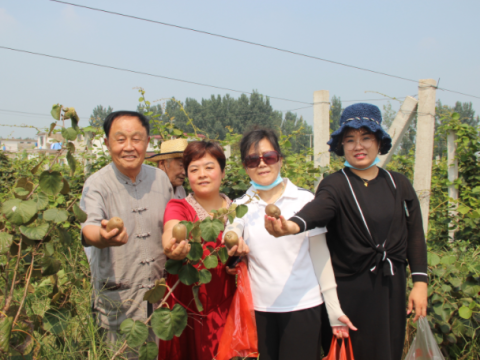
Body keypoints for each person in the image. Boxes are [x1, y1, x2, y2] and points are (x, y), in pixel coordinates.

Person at [265, 103, 428, 360]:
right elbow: (317, 210)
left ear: (379, 142)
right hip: (350, 293)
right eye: (350, 140)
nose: (358, 146)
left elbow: (415, 234)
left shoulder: (398, 184)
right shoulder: (335, 184)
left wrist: (420, 283)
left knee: (389, 349)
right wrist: (290, 226)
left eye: (366, 138)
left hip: (391, 288)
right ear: (341, 145)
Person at [224, 129, 355, 360]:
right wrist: (233, 240)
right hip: (260, 309)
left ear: (280, 159)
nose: (262, 164)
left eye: (269, 157)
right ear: (245, 166)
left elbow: (320, 255)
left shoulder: (305, 200)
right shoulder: (240, 205)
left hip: (303, 305)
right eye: (253, 160)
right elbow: (232, 232)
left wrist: (333, 308)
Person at [80, 111, 173, 358]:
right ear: (108, 142)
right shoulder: (97, 184)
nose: (129, 147)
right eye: (120, 139)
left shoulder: (161, 179)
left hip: (160, 299)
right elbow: (89, 227)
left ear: (148, 142)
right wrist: (102, 237)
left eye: (137, 139)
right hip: (118, 300)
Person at [158, 140, 249, 360]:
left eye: (209, 167)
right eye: (194, 169)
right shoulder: (179, 207)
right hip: (189, 305)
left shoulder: (240, 211)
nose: (202, 174)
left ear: (222, 172)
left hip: (228, 303)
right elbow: (171, 231)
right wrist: (172, 247)